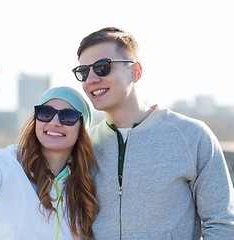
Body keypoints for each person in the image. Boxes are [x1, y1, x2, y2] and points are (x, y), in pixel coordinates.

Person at [71, 27, 234, 239]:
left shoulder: (191, 136)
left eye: (103, 67)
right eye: (84, 71)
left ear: (135, 71)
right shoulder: (85, 145)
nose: (91, 79)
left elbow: (222, 222)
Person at [0, 66, 99, 240]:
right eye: (45, 113)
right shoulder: (7, 166)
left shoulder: (87, 185)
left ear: (82, 128)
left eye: (68, 116)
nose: (55, 122)